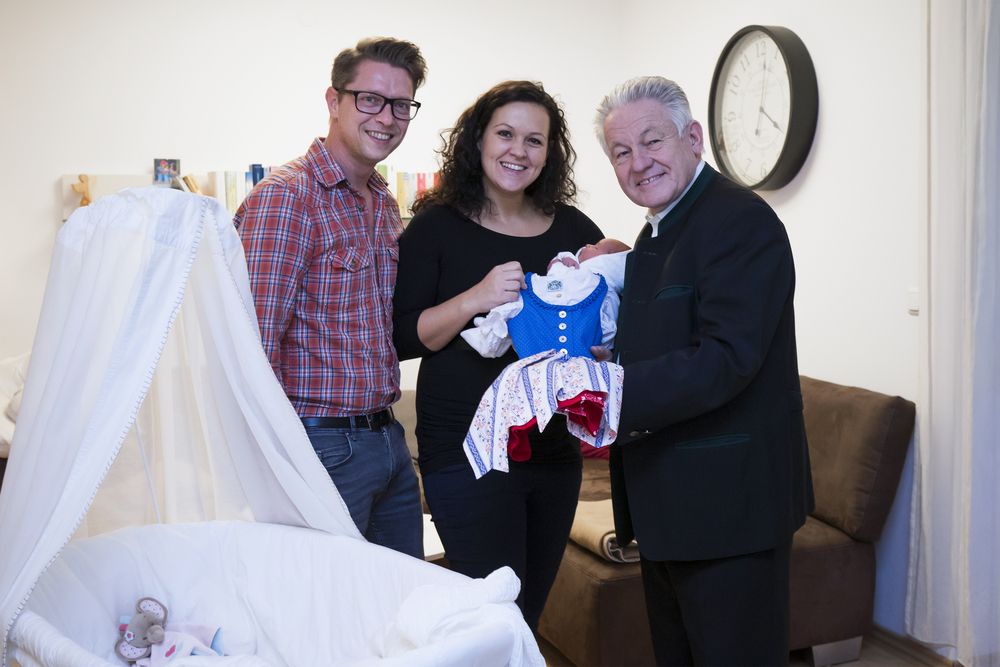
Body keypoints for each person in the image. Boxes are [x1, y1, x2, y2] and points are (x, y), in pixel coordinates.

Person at [593, 75, 814, 665]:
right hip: (668, 508)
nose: (639, 163)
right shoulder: (657, 230)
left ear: (692, 138)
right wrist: (607, 361)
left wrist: (609, 389)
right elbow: (661, 344)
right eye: (621, 152)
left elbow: (727, 358)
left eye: (652, 141)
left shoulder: (740, 221)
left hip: (729, 510)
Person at [393, 80, 604, 631]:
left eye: (535, 140)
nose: (518, 151)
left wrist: (600, 345)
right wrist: (475, 298)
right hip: (466, 452)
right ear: (479, 139)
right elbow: (404, 337)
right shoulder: (436, 227)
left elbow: (602, 318)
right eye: (505, 134)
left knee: (526, 617)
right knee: (488, 619)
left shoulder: (575, 230)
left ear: (550, 152)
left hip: (554, 452)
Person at [235, 37, 428, 559]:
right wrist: (282, 463)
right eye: (370, 99)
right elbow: (253, 347)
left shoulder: (382, 201)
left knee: (402, 599)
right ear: (333, 101)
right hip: (320, 445)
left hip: (387, 437)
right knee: (321, 601)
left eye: (401, 105)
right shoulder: (287, 198)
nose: (386, 118)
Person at [460, 238, 630, 358]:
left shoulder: (603, 294)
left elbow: (610, 334)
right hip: (531, 380)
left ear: (610, 259)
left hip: (582, 380)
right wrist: (562, 258)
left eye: (597, 247)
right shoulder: (529, 287)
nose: (588, 244)